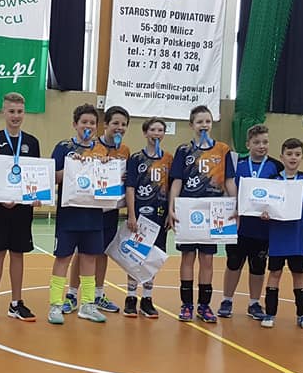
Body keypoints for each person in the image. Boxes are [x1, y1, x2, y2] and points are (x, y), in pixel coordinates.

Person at [168, 105, 236, 322]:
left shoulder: (223, 150)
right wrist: (172, 207)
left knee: (207, 259)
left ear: (212, 123)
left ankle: (204, 306)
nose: (204, 125)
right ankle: (187, 304)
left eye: (207, 121)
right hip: (188, 210)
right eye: (199, 122)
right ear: (191, 125)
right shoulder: (183, 151)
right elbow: (177, 181)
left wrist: (235, 205)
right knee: (187, 257)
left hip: (213, 211)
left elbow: (229, 181)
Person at [64, 105, 130, 314]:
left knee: (102, 252)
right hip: (89, 208)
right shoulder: (93, 145)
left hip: (110, 209)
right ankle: (72, 294)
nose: (119, 128)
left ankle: (98, 294)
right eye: (115, 123)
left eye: (123, 125)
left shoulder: (125, 151)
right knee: (82, 252)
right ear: (106, 125)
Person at [0, 92, 39, 322]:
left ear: (24, 113)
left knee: (18, 254)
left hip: (22, 208)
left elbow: (35, 174)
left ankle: (16, 303)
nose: (15, 116)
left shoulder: (32, 142)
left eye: (19, 111)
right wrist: (0, 196)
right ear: (3, 112)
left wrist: (36, 195)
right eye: (11, 111)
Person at [48, 104, 108, 325]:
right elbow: (51, 177)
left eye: (92, 123)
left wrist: (106, 169)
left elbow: (107, 183)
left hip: (93, 216)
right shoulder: (64, 148)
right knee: (63, 258)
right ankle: (55, 305)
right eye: (84, 122)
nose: (88, 126)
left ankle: (88, 305)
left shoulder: (102, 151)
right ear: (75, 124)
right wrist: (72, 168)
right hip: (69, 216)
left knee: (90, 259)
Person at [218, 124, 280, 320]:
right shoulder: (238, 164)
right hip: (238, 225)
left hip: (263, 227)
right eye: (257, 142)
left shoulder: (275, 166)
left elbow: (281, 194)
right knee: (233, 264)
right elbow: (227, 187)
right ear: (248, 144)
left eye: (265, 142)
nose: (262, 146)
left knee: (258, 267)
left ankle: (254, 303)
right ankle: (227, 300)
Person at [261, 138, 303, 330]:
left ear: (302, 157)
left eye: (297, 154)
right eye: (289, 154)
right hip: (278, 235)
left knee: (298, 275)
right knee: (274, 273)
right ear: (282, 157)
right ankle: (269, 314)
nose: (293, 158)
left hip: (298, 237)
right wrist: (264, 213)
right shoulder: (273, 180)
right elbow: (265, 205)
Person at [123, 117, 173, 317]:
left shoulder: (169, 159)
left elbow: (173, 188)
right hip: (140, 216)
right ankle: (130, 297)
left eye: (160, 130)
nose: (157, 133)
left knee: (153, 259)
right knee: (135, 256)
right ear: (145, 133)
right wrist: (131, 215)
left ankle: (147, 299)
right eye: (153, 129)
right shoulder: (136, 158)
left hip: (160, 217)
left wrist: (170, 212)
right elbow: (130, 188)